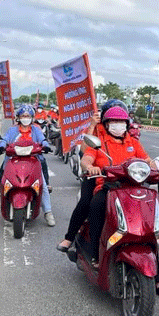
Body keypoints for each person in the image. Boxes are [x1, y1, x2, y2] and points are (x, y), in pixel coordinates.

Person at [80, 106, 159, 296]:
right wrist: (91, 167)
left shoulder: (133, 142)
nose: (118, 126)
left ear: (127, 125)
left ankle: (157, 275)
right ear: (106, 124)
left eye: (121, 122)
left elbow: (147, 160)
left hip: (134, 188)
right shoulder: (99, 143)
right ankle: (97, 254)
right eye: (113, 122)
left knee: (151, 228)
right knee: (96, 207)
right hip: (108, 187)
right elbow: (86, 159)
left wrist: (157, 169)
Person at [56, 99, 128, 252]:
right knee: (86, 204)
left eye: (120, 119)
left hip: (124, 179)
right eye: (113, 119)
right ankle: (70, 238)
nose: (117, 122)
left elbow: (143, 158)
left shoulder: (130, 137)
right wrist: (92, 125)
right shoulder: (97, 131)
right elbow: (84, 152)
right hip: (98, 177)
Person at [0, 104, 55, 226]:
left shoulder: (36, 129)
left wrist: (45, 145)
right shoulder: (13, 130)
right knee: (5, 166)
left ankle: (48, 212)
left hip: (33, 159)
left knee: (43, 185)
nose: (25, 118)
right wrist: (1, 147)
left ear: (32, 117)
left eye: (28, 116)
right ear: (18, 117)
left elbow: (42, 139)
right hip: (15, 159)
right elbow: (5, 139)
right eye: (23, 116)